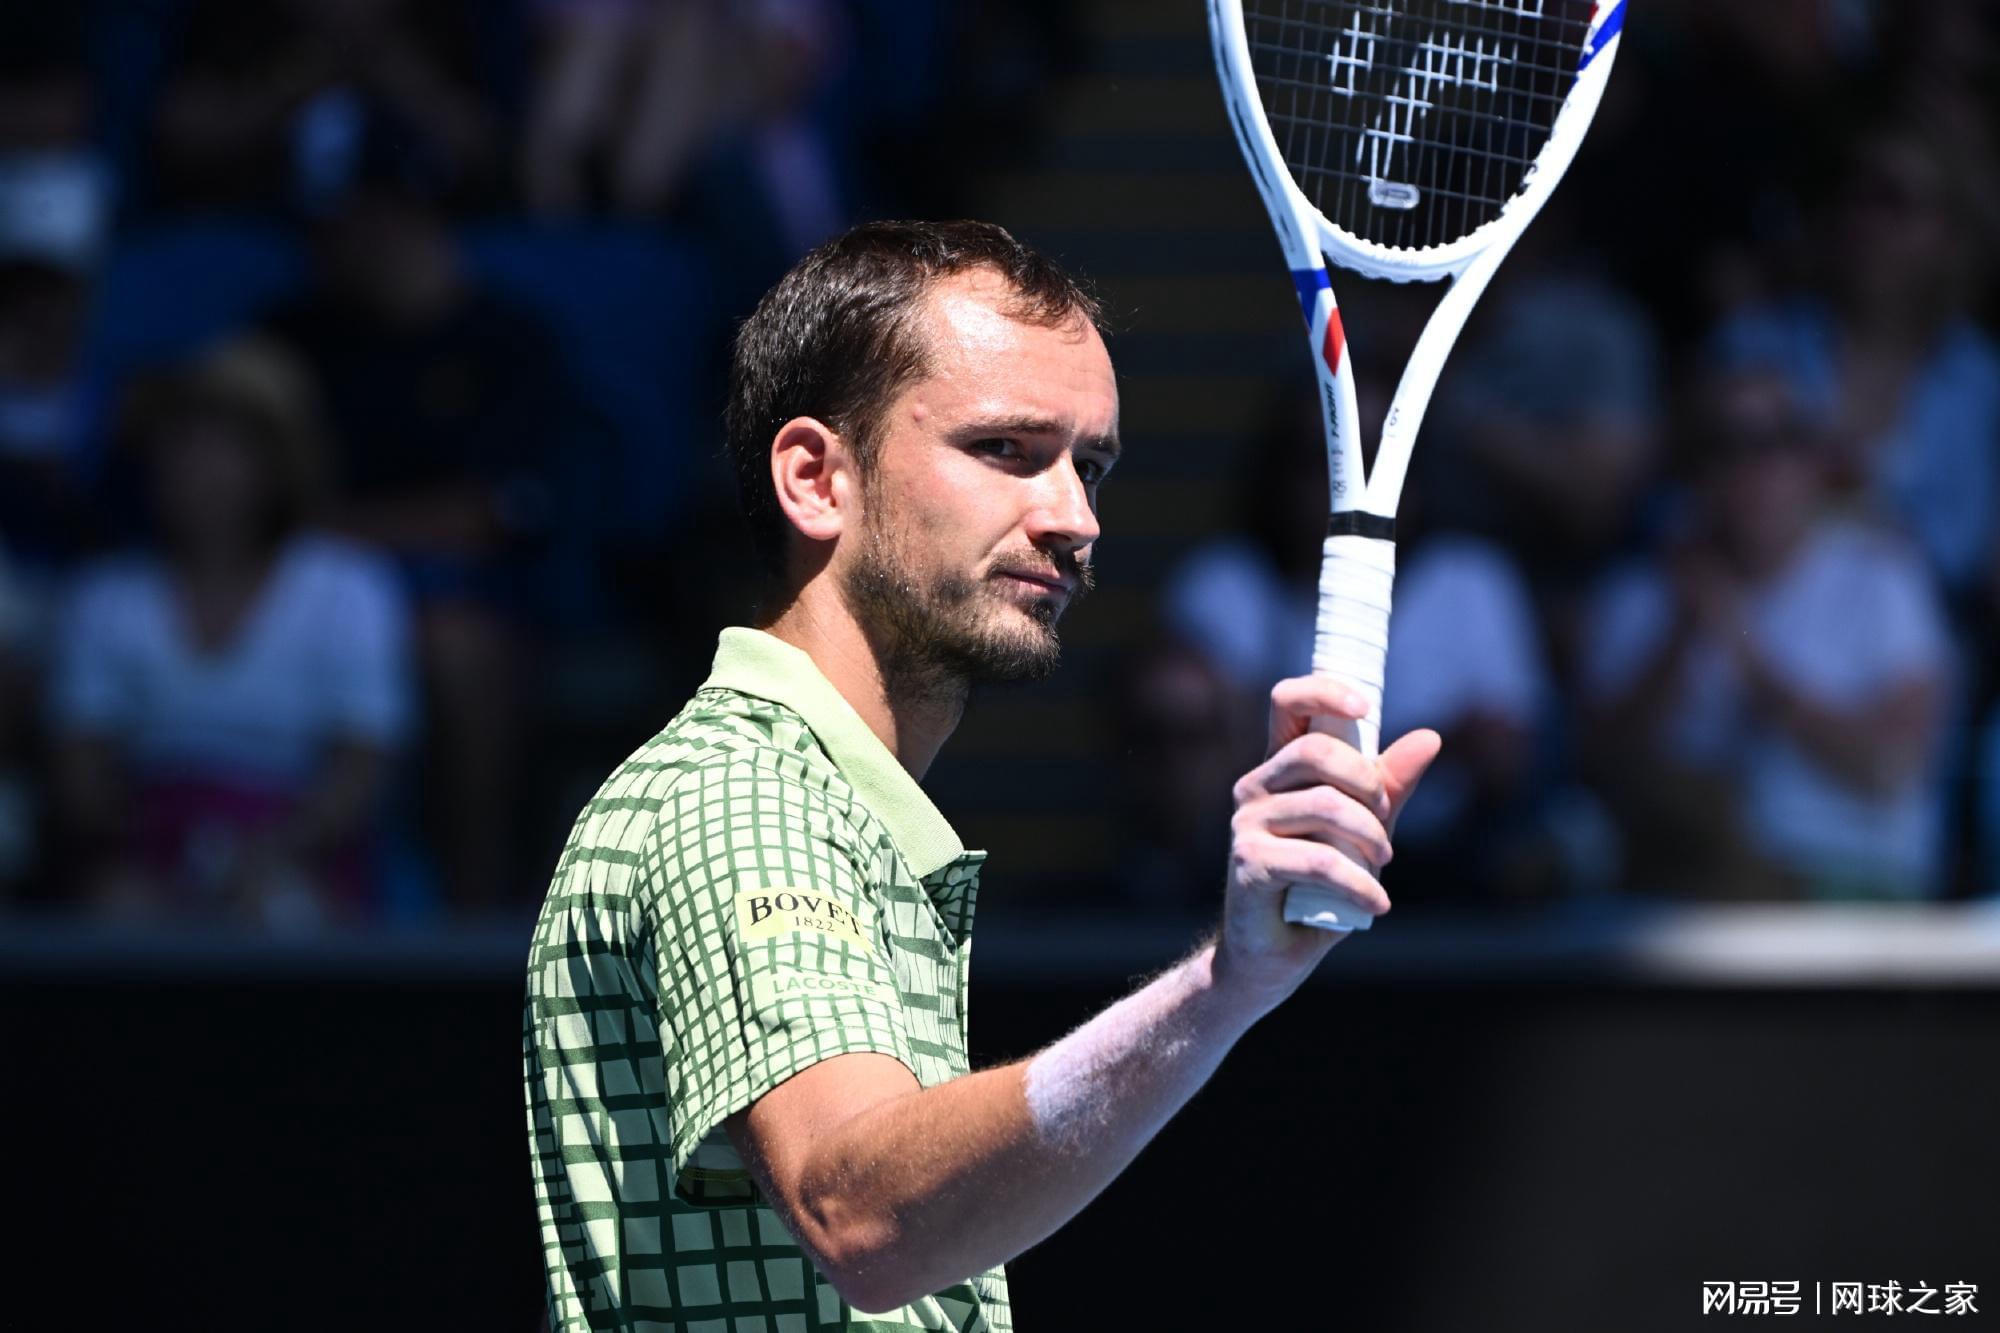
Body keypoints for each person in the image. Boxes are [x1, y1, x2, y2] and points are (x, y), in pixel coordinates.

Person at [522, 220, 1440, 1329]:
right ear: (816, 478)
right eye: (1004, 448)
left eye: (1089, 466)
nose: (1074, 519)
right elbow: (860, 1215)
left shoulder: (815, 801)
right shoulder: (742, 799)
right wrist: (1220, 986)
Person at [47, 338, 412, 926]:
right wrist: (153, 844)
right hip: (148, 850)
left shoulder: (348, 589)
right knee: (117, 911)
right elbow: (82, 768)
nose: (191, 466)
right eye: (177, 444)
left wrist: (272, 849)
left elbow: (360, 768)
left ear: (277, 466)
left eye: (222, 446)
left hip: (301, 851)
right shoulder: (106, 596)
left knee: (279, 913)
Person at [1579, 368, 1951, 900]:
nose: (1754, 468)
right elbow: (1602, 774)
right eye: (1727, 446)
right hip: (1680, 892)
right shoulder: (1641, 594)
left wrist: (1749, 659)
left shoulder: (1881, 577)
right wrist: (1681, 634)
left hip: (1848, 886)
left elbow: (1889, 769)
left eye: (1779, 440)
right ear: (1694, 471)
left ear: (1814, 461)